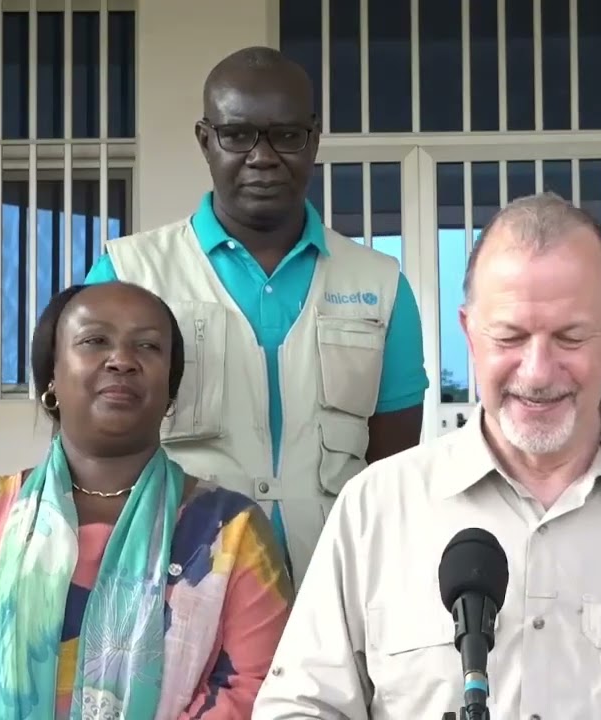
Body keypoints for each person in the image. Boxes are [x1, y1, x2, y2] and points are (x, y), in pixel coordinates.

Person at [252, 193, 601, 720]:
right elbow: (301, 706)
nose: (537, 371)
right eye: (509, 337)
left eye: (570, 337)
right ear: (468, 334)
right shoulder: (375, 508)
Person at [83, 46, 430, 589]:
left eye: (286, 135)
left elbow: (393, 471)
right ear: (205, 139)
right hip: (171, 591)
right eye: (238, 135)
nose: (262, 156)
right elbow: (88, 450)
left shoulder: (381, 286)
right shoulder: (127, 275)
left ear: (313, 139)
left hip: (333, 593)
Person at [0, 282, 293, 719]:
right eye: (94, 341)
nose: (122, 360)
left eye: (148, 346)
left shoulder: (233, 530)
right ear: (51, 376)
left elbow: (259, 688)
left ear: (171, 389)